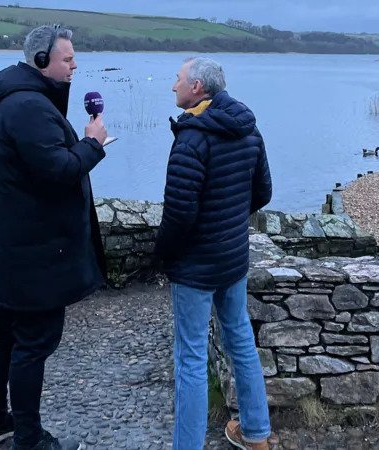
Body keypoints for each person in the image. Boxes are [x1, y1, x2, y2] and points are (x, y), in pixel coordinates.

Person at [0, 24, 108, 450]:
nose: (74, 66)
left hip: (15, 250)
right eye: (67, 59)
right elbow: (59, 170)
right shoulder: (29, 108)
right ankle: (28, 439)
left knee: (6, 335)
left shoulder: (17, 101)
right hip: (35, 257)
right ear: (40, 61)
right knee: (32, 345)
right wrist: (93, 145)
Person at [155, 57, 273, 450]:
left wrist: (163, 258)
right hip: (233, 257)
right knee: (240, 338)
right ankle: (257, 435)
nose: (173, 86)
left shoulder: (192, 137)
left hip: (195, 266)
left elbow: (178, 213)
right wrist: (229, 222)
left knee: (189, 359)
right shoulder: (248, 128)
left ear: (199, 89)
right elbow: (263, 193)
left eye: (178, 79)